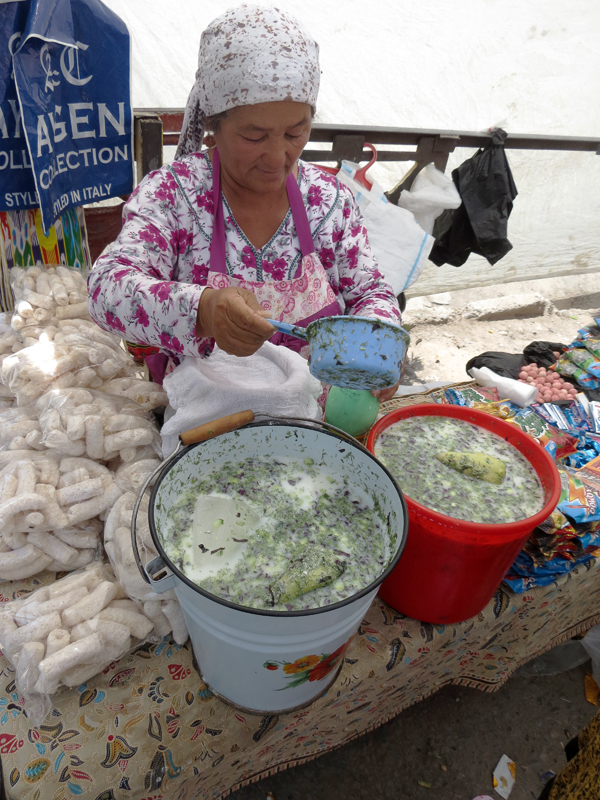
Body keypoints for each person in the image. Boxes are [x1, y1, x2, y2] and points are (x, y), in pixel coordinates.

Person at [88, 5, 401, 401]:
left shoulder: (329, 200)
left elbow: (369, 291)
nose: (276, 158)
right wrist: (201, 310)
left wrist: (379, 345)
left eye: (295, 132)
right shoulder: (173, 196)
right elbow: (104, 290)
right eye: (254, 137)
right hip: (204, 429)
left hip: (314, 422)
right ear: (213, 126)